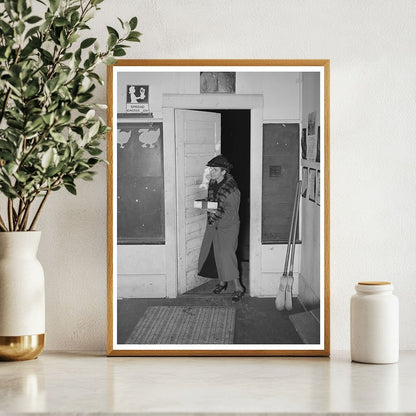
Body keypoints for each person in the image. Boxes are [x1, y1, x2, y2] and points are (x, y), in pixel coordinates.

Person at [197, 155, 245, 302]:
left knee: (226, 255)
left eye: (215, 170)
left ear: (223, 172)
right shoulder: (213, 183)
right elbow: (214, 202)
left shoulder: (232, 190)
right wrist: (205, 204)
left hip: (228, 226)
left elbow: (232, 212)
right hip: (214, 225)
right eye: (211, 169)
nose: (211, 172)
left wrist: (214, 211)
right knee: (215, 253)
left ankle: (238, 288)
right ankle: (222, 282)